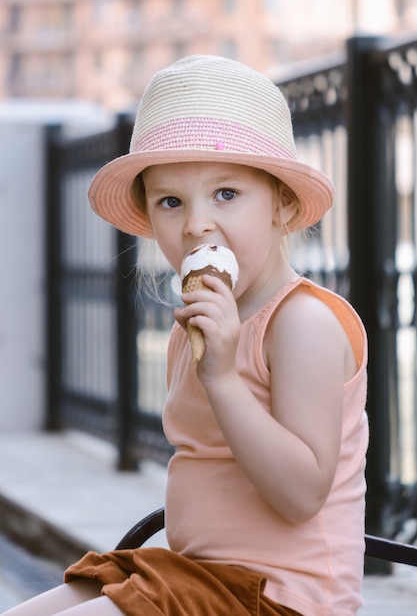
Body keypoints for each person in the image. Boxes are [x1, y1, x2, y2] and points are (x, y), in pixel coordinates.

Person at [4, 55, 368, 616]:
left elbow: (301, 496)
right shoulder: (198, 323)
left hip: (276, 597)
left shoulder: (302, 323)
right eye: (171, 202)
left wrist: (222, 378)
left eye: (226, 193)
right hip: (192, 576)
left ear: (283, 204)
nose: (196, 223)